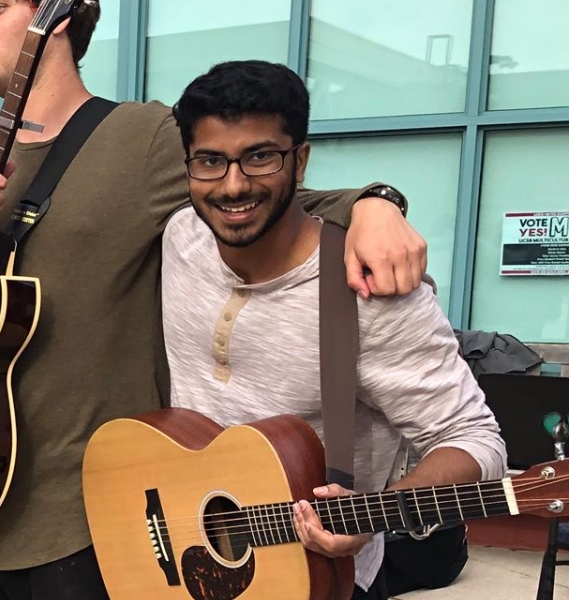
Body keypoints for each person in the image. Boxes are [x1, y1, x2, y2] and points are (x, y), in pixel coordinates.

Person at [0, 2, 433, 598]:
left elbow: (253, 189)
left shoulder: (141, 138)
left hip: (91, 523)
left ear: (58, 15)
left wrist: (372, 203)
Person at [164, 60, 506, 600]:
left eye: (260, 157)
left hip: (318, 579)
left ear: (299, 160)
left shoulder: (369, 293)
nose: (233, 186)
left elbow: (475, 439)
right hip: (182, 557)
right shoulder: (180, 237)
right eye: (210, 161)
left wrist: (378, 514)